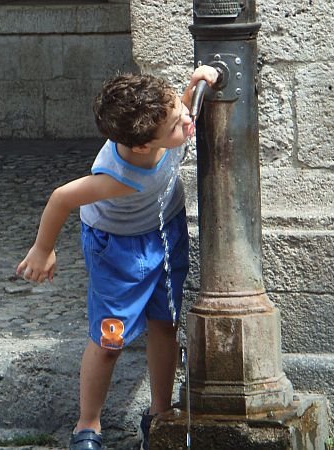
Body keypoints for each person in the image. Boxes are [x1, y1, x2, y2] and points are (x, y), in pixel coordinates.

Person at [16, 65, 219, 450]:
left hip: (165, 232)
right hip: (117, 249)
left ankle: (159, 415)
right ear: (144, 146)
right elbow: (61, 197)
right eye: (178, 122)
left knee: (165, 321)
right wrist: (43, 249)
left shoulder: (165, 120)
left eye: (179, 107)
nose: (188, 120)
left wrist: (194, 85)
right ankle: (87, 426)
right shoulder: (114, 176)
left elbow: (181, 109)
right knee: (110, 339)